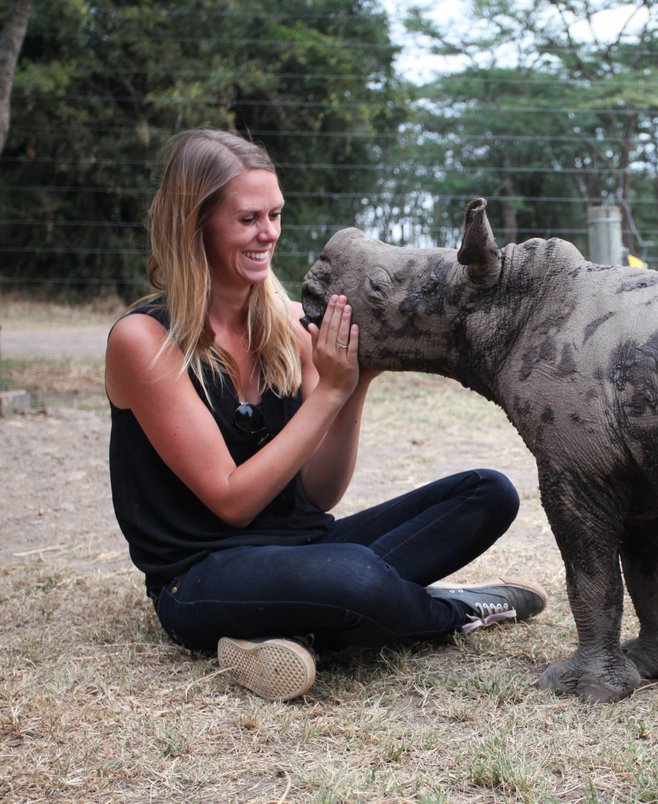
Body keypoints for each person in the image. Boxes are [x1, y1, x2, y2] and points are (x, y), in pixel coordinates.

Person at [105, 128, 546, 702]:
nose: (269, 233)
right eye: (248, 219)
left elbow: (319, 494)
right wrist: (328, 394)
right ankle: (449, 610)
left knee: (488, 493)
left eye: (275, 214)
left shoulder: (291, 324)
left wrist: (357, 385)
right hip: (201, 575)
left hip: (309, 549)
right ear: (195, 225)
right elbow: (232, 501)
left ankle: (295, 628)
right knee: (353, 576)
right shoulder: (144, 341)